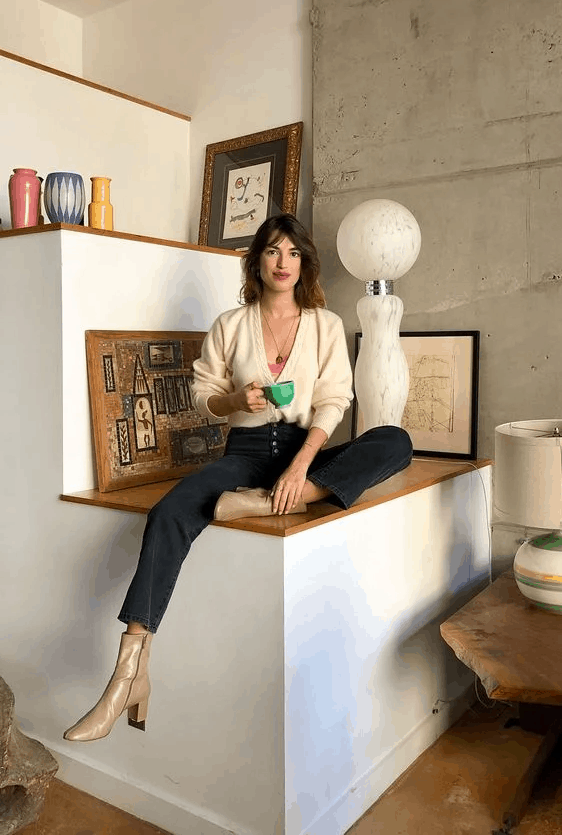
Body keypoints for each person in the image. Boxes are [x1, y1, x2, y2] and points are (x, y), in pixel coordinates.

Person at [63, 214, 413, 742]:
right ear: (257, 261)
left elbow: (335, 399)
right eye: (272, 251)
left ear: (304, 263)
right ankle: (128, 675)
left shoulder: (325, 324)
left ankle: (284, 498)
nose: (283, 262)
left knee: (395, 440)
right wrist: (235, 401)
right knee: (169, 512)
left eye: (293, 253)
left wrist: (301, 467)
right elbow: (204, 395)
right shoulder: (230, 324)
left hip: (304, 451)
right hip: (244, 456)